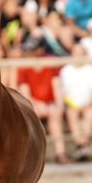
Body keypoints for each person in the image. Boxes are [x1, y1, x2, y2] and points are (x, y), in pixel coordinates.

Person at [17, 35, 69, 164]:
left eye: (33, 49)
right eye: (29, 50)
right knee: (34, 115)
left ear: (41, 50)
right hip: (33, 103)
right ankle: (31, 157)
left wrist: (59, 104)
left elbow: (56, 85)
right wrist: (38, 104)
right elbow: (25, 93)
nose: (30, 52)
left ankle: (60, 153)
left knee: (55, 114)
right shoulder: (23, 65)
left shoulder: (50, 62)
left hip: (49, 103)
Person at [59, 44, 92, 161]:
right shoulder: (65, 70)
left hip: (89, 103)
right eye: (76, 53)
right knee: (71, 113)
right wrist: (74, 105)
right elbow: (64, 92)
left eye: (81, 53)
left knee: (91, 112)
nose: (78, 56)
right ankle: (81, 144)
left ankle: (82, 144)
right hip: (72, 104)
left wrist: (87, 105)